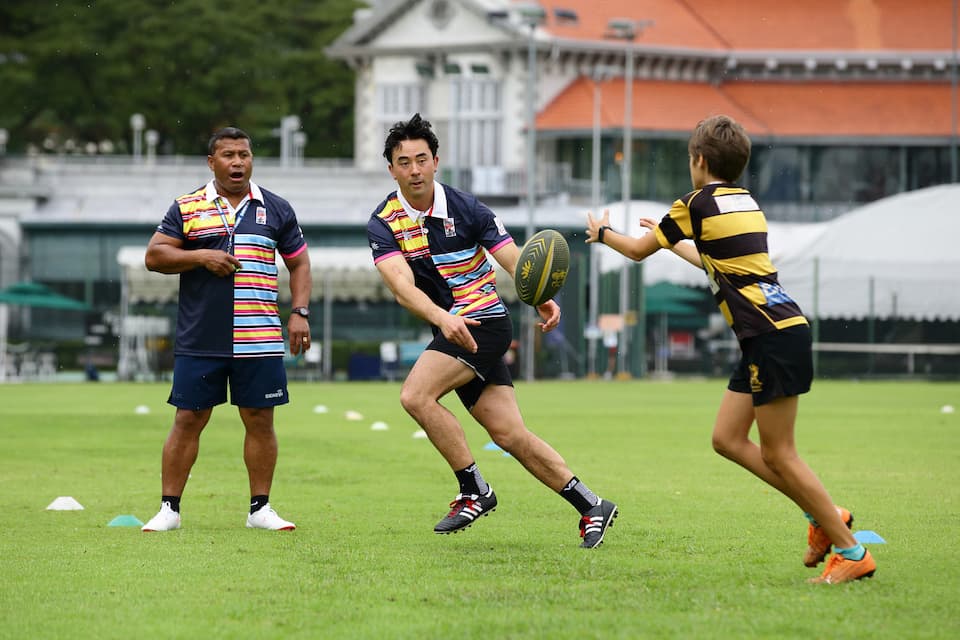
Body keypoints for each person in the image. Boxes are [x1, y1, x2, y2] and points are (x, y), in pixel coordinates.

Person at [585, 114, 876, 583]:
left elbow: (637, 251)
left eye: (689, 160)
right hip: (777, 330)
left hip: (770, 335)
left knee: (780, 453)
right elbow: (716, 263)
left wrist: (603, 235)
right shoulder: (745, 202)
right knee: (727, 438)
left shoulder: (694, 202)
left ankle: (851, 550)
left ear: (698, 160)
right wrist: (673, 242)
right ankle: (828, 517)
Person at [368, 113, 617, 548]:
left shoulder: (468, 208)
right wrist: (444, 318)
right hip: (452, 329)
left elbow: (511, 257)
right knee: (509, 434)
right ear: (391, 169)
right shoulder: (384, 222)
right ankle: (591, 505)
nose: (414, 170)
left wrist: (539, 293)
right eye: (404, 162)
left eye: (421, 160)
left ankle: (474, 490)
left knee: (415, 396)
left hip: (484, 323)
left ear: (436, 161)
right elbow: (402, 288)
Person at [141, 127, 312, 532]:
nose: (238, 162)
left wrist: (300, 311)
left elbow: (299, 263)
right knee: (188, 418)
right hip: (201, 337)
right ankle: (169, 509)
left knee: (260, 419)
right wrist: (202, 256)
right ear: (211, 162)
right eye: (229, 155)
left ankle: (260, 510)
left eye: (244, 154)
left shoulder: (276, 208)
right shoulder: (188, 206)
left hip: (260, 336)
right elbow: (154, 255)